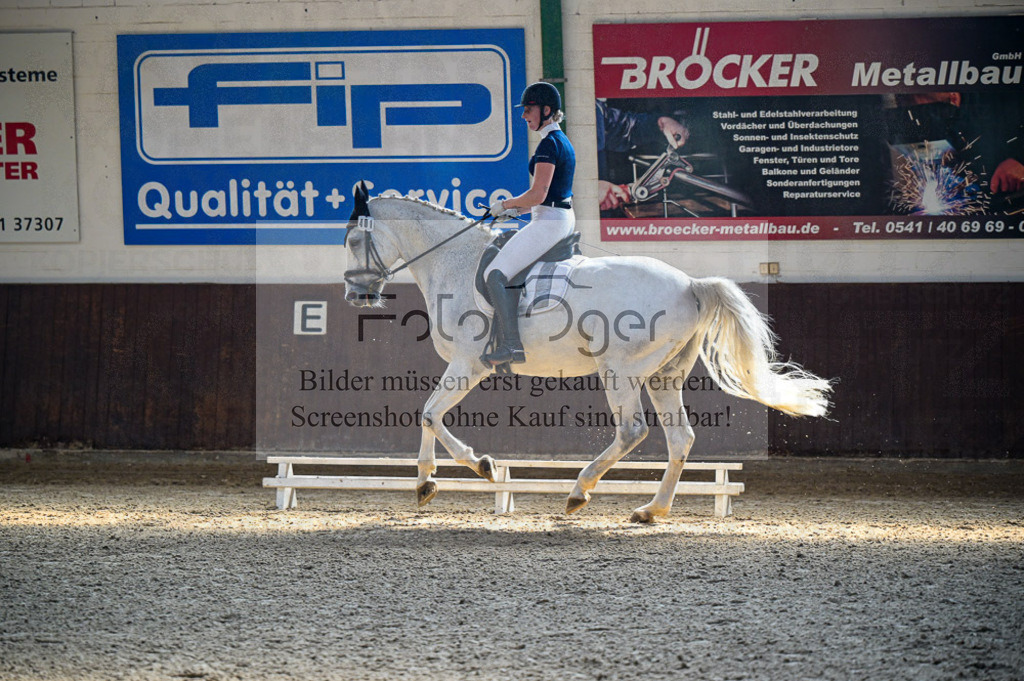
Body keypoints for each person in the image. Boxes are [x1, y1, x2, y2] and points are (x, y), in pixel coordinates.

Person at [483, 81, 576, 368]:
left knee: (494, 274)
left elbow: (539, 193)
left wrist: (506, 204)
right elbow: (543, 198)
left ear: (546, 110)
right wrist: (515, 211)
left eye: (528, 109)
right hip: (553, 216)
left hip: (550, 222)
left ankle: (512, 346)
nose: (524, 115)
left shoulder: (549, 145)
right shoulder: (560, 140)